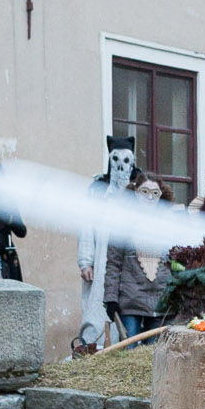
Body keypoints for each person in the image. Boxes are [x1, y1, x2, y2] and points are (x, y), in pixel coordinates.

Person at [75, 136, 139, 357]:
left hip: (132, 256)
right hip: (102, 253)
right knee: (98, 303)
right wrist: (86, 261)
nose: (121, 165)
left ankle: (129, 347)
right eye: (116, 159)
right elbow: (86, 224)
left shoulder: (140, 186)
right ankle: (96, 348)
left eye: (126, 159)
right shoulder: (98, 188)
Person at [103, 176, 174, 341]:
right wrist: (111, 298)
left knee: (155, 355)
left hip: (161, 302)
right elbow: (113, 264)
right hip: (130, 302)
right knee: (129, 351)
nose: (150, 197)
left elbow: (176, 264)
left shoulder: (170, 225)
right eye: (145, 192)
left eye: (155, 193)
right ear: (135, 193)